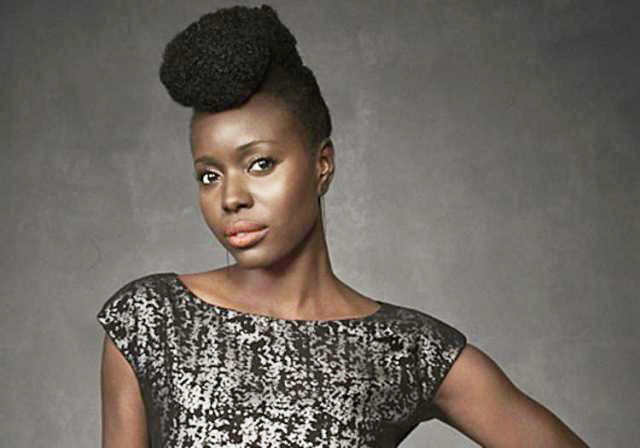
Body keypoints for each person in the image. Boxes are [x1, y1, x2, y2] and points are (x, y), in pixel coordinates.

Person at [97, 4, 590, 447]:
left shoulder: (403, 349)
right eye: (210, 175)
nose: (231, 198)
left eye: (260, 164)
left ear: (322, 164)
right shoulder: (150, 318)